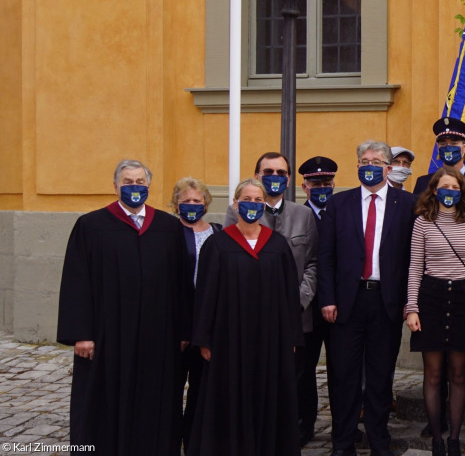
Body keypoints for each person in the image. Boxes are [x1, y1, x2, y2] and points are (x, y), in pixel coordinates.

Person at [58, 159, 191, 455]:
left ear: (149, 186)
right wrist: (81, 333)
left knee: (153, 400)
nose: (135, 187)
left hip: (156, 337)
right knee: (104, 400)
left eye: (141, 182)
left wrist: (184, 330)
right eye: (128, 182)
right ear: (116, 186)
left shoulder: (168, 227)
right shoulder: (91, 226)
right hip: (108, 337)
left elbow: (181, 283)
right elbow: (76, 283)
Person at [187, 178, 303, 456]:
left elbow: (290, 293)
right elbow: (206, 295)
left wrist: (292, 335)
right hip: (229, 340)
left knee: (268, 394)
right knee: (230, 395)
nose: (252, 204)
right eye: (247, 199)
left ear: (264, 204)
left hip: (270, 340)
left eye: (258, 199)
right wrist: (204, 338)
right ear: (236, 203)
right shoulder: (217, 245)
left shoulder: (277, 245)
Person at [317, 140, 417, 456]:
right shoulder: (339, 204)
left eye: (376, 160)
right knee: (342, 375)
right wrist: (327, 299)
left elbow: (413, 258)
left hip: (386, 301)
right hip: (346, 302)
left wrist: (408, 300)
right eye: (363, 160)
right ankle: (342, 442)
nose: (368, 165)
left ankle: (378, 439)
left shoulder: (408, 204)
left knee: (380, 374)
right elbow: (326, 256)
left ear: (389, 168)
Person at [222, 152, 321, 446]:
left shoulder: (303, 215)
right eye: (268, 171)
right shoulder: (238, 211)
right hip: (252, 316)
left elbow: (313, 262)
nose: (275, 177)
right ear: (256, 174)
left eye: (281, 172)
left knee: (298, 375)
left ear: (289, 179)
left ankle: (300, 428)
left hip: (295, 313)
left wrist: (298, 300)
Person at [404, 167, 465, 456]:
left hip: (464, 298)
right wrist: (412, 308)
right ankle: (436, 439)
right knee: (433, 373)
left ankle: (454, 438)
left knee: (459, 373)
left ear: (462, 190)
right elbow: (415, 268)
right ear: (434, 190)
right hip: (431, 298)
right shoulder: (422, 222)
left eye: (455, 187)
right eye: (444, 187)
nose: (449, 192)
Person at [171, 176, 221, 450]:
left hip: (207, 326)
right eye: (186, 201)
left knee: (202, 393)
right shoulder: (167, 232)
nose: (191, 205)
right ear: (176, 204)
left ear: (206, 203)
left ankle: (196, 444)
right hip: (176, 326)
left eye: (196, 200)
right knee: (170, 391)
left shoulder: (218, 232)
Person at [295, 156, 336, 444]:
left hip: (338, 306)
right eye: (315, 183)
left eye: (326, 183)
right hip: (307, 308)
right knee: (304, 370)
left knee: (341, 370)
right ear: (304, 186)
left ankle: (345, 424)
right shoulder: (298, 215)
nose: (321, 187)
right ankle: (304, 423)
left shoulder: (343, 210)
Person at [414, 117, 465, 205]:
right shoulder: (423, 183)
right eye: (443, 143)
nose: (448, 147)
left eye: (454, 143)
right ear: (438, 149)